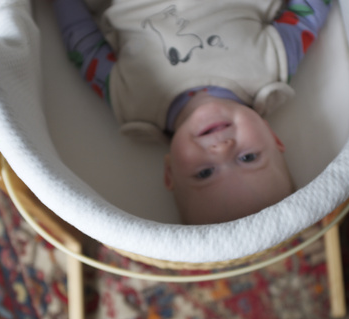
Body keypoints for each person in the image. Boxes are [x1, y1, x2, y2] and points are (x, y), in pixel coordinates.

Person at [53, 0, 331, 224]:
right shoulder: (272, 67)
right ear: (273, 138)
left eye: (204, 173)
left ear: (170, 173)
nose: (222, 149)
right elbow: (308, 11)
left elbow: (81, 42)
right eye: (248, 157)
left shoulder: (131, 102)